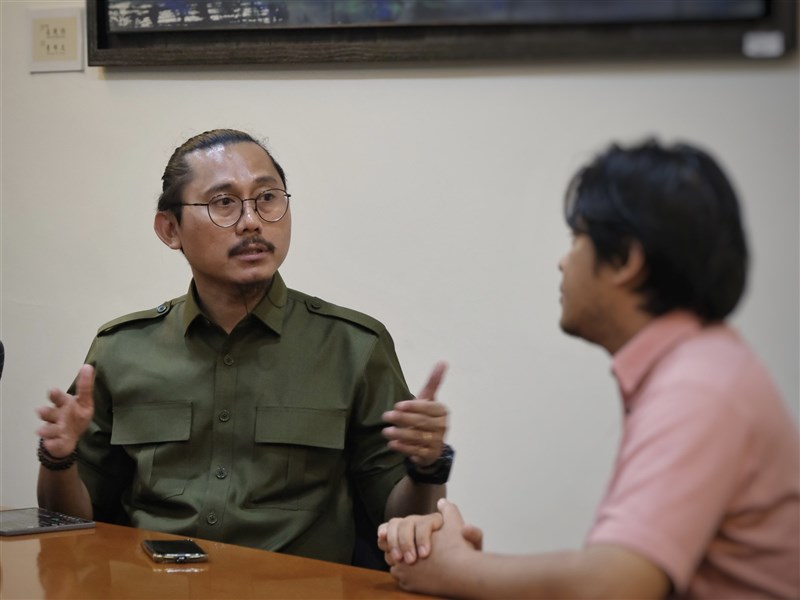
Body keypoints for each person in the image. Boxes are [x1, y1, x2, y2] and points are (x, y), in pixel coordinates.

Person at [378, 139, 799, 598]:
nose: (563, 261)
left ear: (625, 261)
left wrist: (458, 570)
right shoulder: (703, 366)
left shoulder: (698, 387)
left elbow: (616, 583)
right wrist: (474, 568)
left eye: (577, 238)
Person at [35, 128, 454, 566]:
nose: (252, 220)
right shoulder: (121, 350)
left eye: (268, 198)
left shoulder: (352, 347)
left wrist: (427, 466)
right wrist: (57, 457)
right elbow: (66, 527)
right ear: (170, 229)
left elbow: (402, 527)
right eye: (224, 203)